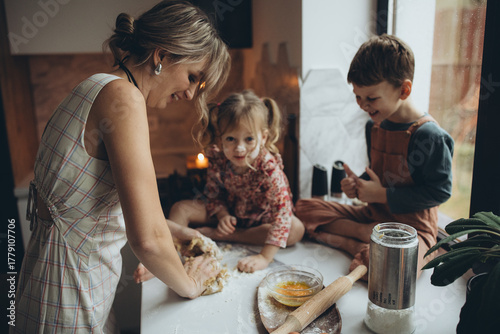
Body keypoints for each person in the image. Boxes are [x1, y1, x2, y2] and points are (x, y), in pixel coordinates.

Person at [13, 1, 230, 333]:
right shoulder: (125, 98)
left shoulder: (93, 85)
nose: (189, 94)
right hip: (68, 296)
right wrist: (192, 283)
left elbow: (83, 213)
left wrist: (178, 232)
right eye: (192, 77)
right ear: (162, 57)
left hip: (50, 283)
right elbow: (146, 240)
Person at [295, 34, 454, 280]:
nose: (362, 105)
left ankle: (352, 243)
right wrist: (357, 184)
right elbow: (378, 173)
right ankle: (364, 235)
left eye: (371, 98)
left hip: (412, 231)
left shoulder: (429, 136)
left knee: (394, 268)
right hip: (373, 217)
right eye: (357, 96)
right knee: (305, 207)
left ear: (404, 89)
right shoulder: (375, 126)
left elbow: (440, 192)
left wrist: (380, 194)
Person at [135, 90, 305, 281]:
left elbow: (282, 214)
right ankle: (167, 255)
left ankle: (219, 236)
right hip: (230, 213)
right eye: (231, 139)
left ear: (263, 138)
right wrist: (223, 215)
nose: (239, 148)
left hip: (260, 221)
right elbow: (213, 194)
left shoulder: (269, 169)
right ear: (220, 137)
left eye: (249, 139)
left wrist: (264, 257)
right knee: (180, 208)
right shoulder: (218, 157)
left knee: (295, 228)